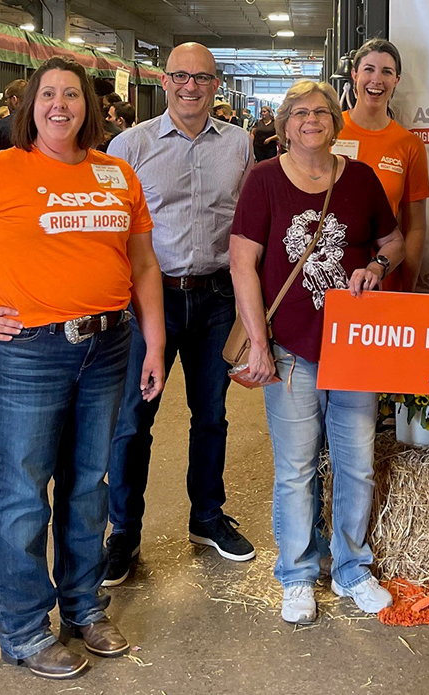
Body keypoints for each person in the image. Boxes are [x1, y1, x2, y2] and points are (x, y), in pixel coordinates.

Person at [0, 56, 165, 680]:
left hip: (108, 347)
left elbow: (145, 267)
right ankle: (23, 629)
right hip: (28, 354)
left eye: (71, 95)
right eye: (48, 94)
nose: (59, 105)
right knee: (24, 497)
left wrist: (154, 345)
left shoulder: (117, 173)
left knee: (88, 485)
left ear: (89, 108)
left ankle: (82, 606)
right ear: (29, 106)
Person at [229, 79, 405, 624]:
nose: (312, 120)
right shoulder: (262, 181)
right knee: (295, 469)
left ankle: (352, 567)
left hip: (353, 349)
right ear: (284, 125)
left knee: (355, 466)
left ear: (336, 121)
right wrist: (258, 343)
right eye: (300, 113)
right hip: (289, 349)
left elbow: (392, 242)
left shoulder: (360, 179)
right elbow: (242, 265)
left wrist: (376, 267)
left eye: (322, 112)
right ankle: (298, 573)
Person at [103, 43, 256, 588]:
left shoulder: (240, 145)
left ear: (217, 85)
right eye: (180, 77)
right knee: (132, 420)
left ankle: (207, 517)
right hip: (151, 298)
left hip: (216, 298)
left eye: (202, 78)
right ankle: (124, 532)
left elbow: (249, 225)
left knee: (211, 415)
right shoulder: (131, 144)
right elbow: (109, 225)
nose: (191, 87)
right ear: (164, 82)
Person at [337, 38, 429, 291]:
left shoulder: (409, 145)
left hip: (382, 279)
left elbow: (415, 227)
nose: (377, 80)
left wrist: (407, 288)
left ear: (396, 81)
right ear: (354, 75)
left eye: (386, 72)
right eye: (369, 69)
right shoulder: (329, 133)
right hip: (328, 275)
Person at [0, 78, 28, 152]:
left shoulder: (0, 127)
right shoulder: (43, 123)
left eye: (7, 99)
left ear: (14, 99)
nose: (6, 103)